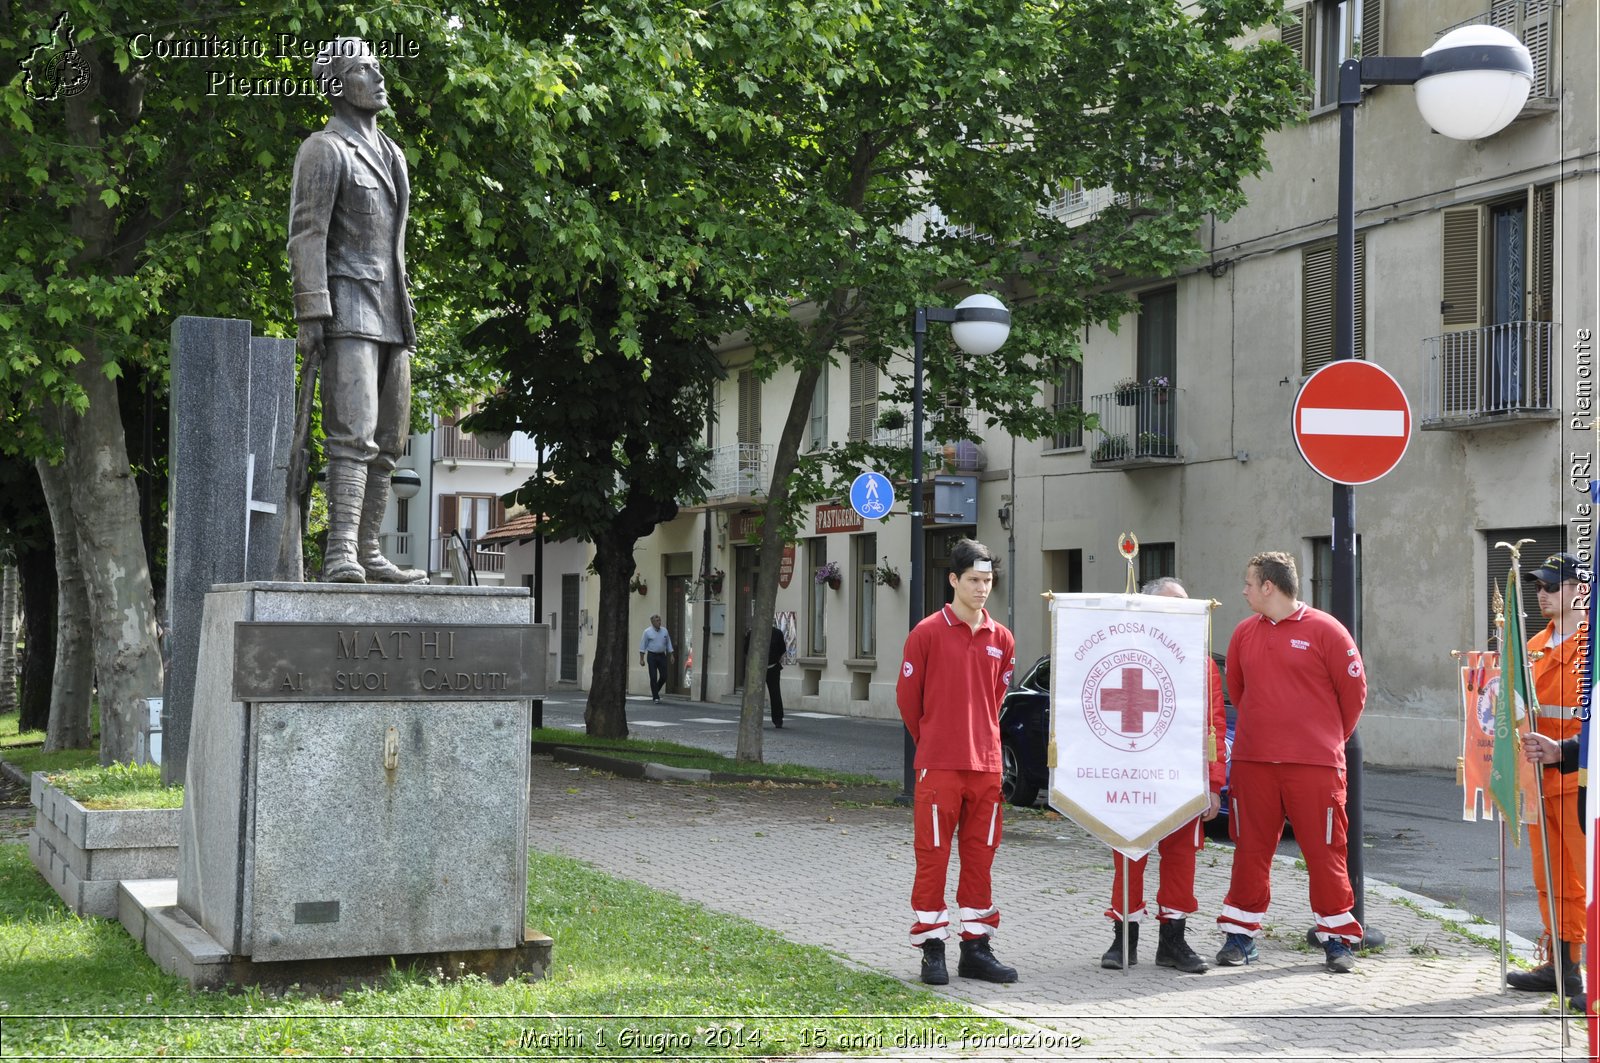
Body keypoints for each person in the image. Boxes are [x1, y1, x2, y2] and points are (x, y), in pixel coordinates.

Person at [287, 38, 425, 584]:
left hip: (393, 311)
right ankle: (339, 552)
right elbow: (307, 233)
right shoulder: (324, 149)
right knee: (352, 433)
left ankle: (369, 551)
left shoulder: (392, 153)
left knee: (389, 441)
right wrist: (310, 313)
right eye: (366, 68)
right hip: (347, 308)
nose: (380, 76)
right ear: (340, 84)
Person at [1215, 551, 1367, 973]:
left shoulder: (1327, 630)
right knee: (1249, 850)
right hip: (1253, 763)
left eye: (1249, 583)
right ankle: (1240, 937)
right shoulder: (1244, 633)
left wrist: (1325, 740)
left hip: (1315, 766)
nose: (1243, 590)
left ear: (1269, 586)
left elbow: (1354, 696)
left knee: (1325, 852)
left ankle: (1337, 941)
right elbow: (1240, 693)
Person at [896, 538, 1018, 985]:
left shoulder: (1002, 638)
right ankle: (933, 949)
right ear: (953, 580)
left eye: (988, 581)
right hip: (939, 766)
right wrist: (933, 741)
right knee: (933, 856)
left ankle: (976, 948)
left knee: (980, 857)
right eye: (974, 580)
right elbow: (909, 701)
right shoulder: (926, 633)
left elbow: (996, 698)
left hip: (985, 766)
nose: (982, 589)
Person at [1101, 577, 1226, 975]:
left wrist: (1213, 784)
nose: (1182, 612)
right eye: (1173, 604)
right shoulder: (1124, 655)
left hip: (1183, 782)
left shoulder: (1201, 662)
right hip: (1132, 779)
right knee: (1129, 856)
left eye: (1186, 605)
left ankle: (1173, 943)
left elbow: (1214, 727)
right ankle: (1124, 941)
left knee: (1181, 863)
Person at [1506, 552, 1588, 1006]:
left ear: (1579, 590)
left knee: (1589, 882)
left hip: (1580, 783)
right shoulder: (1533, 644)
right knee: (1551, 881)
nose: (1542, 594)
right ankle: (1563, 969)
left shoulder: (1592, 647)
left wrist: (1563, 752)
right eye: (1539, 586)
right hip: (1539, 785)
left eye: (1552, 586)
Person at [638, 615, 673, 702]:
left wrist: (671, 654)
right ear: (652, 622)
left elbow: (668, 643)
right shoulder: (647, 632)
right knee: (653, 676)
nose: (659, 622)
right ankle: (656, 697)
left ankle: (655, 690)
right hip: (652, 656)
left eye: (659, 620)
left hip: (662, 655)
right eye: (657, 621)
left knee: (664, 676)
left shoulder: (664, 631)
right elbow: (643, 645)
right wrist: (641, 659)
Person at [764, 623, 787, 729]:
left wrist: (777, 660)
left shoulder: (777, 633)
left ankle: (778, 719)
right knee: (755, 695)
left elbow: (782, 649)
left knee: (775, 694)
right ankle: (755, 718)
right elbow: (746, 649)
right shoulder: (752, 633)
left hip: (773, 667)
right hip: (758, 669)